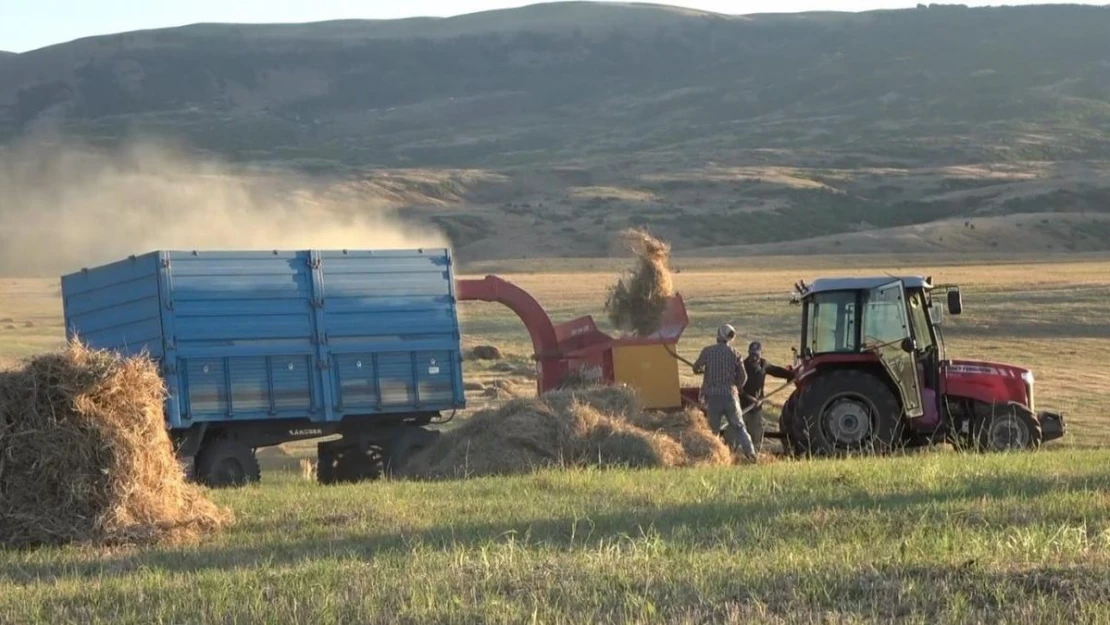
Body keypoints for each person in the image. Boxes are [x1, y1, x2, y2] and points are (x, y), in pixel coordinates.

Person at [692, 324, 756, 461]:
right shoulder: (735, 354)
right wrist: (736, 386)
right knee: (739, 427)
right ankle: (751, 454)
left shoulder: (708, 352)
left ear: (719, 335)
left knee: (712, 431)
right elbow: (743, 377)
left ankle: (712, 458)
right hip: (730, 397)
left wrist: (700, 370)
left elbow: (696, 368)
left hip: (713, 397)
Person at [740, 341, 795, 452]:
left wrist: (790, 374)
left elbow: (776, 371)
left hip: (756, 408)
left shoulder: (763, 364)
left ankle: (754, 457)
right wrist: (749, 398)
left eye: (756, 354)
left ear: (761, 353)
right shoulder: (742, 366)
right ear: (748, 353)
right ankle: (732, 454)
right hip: (742, 406)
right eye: (752, 354)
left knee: (756, 434)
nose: (754, 357)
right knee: (737, 433)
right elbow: (738, 388)